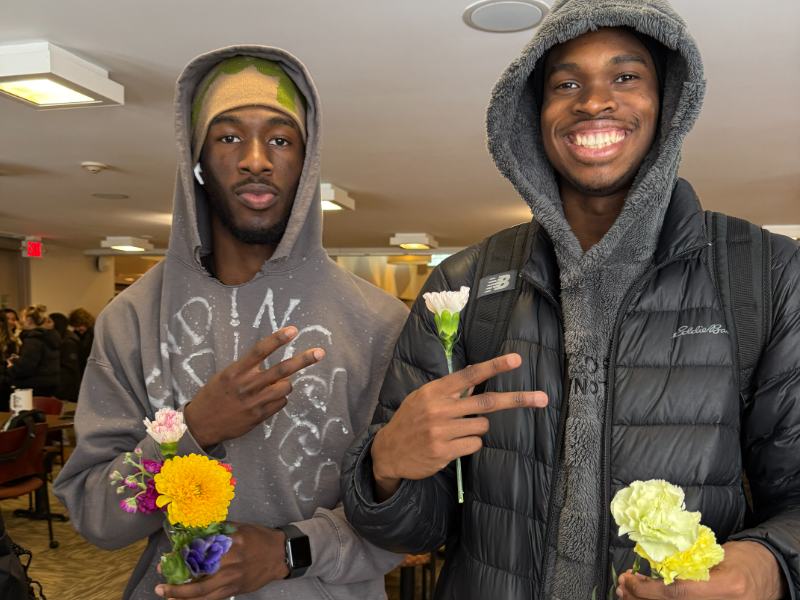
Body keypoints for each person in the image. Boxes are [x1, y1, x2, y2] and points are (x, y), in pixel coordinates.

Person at [342, 1, 800, 599]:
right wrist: (385, 466)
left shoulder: (762, 274)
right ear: (535, 112)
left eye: (626, 76)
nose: (593, 101)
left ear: (669, 102)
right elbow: (414, 530)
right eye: (566, 83)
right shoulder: (464, 287)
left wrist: (768, 566)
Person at [54, 46, 408, 600]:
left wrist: (286, 552)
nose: (256, 159)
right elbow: (98, 516)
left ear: (306, 162)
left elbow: (406, 522)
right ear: (196, 159)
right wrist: (192, 433)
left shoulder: (378, 322)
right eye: (228, 137)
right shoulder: (132, 320)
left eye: (280, 139)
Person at [8, 305, 61, 397]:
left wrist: (12, 366)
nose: (19, 321)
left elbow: (26, 368)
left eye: (21, 318)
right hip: (49, 384)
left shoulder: (34, 340)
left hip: (34, 387)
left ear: (29, 320)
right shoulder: (49, 336)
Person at [49, 312, 81, 402]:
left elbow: (68, 370)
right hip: (65, 389)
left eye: (49, 322)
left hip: (67, 392)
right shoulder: (63, 338)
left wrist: (58, 393)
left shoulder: (68, 342)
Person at [67, 307, 94, 379]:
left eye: (79, 325)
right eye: (75, 326)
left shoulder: (94, 334)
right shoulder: (76, 335)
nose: (77, 328)